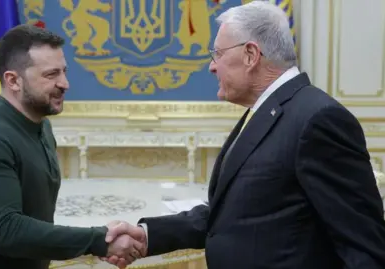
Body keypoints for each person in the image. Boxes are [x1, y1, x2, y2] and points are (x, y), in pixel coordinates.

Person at [104, 2, 385, 269]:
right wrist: (149, 234)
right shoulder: (266, 111)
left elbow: (363, 246)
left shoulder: (318, 120)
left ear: (250, 55)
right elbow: (231, 216)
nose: (212, 66)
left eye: (218, 54)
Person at [0, 25, 145, 269]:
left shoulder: (42, 127)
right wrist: (99, 240)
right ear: (13, 80)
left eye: (64, 72)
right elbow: (6, 231)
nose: (65, 83)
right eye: (51, 75)